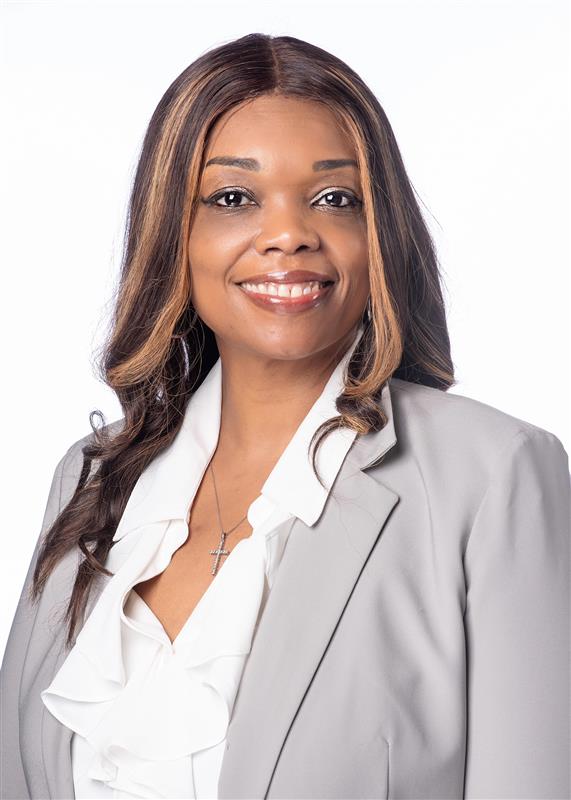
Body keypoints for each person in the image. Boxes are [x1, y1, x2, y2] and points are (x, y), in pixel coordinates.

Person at [1, 31, 569, 800]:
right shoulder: (93, 477)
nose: (288, 235)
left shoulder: (492, 476)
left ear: (379, 233)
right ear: (174, 231)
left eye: (335, 199)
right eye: (233, 198)